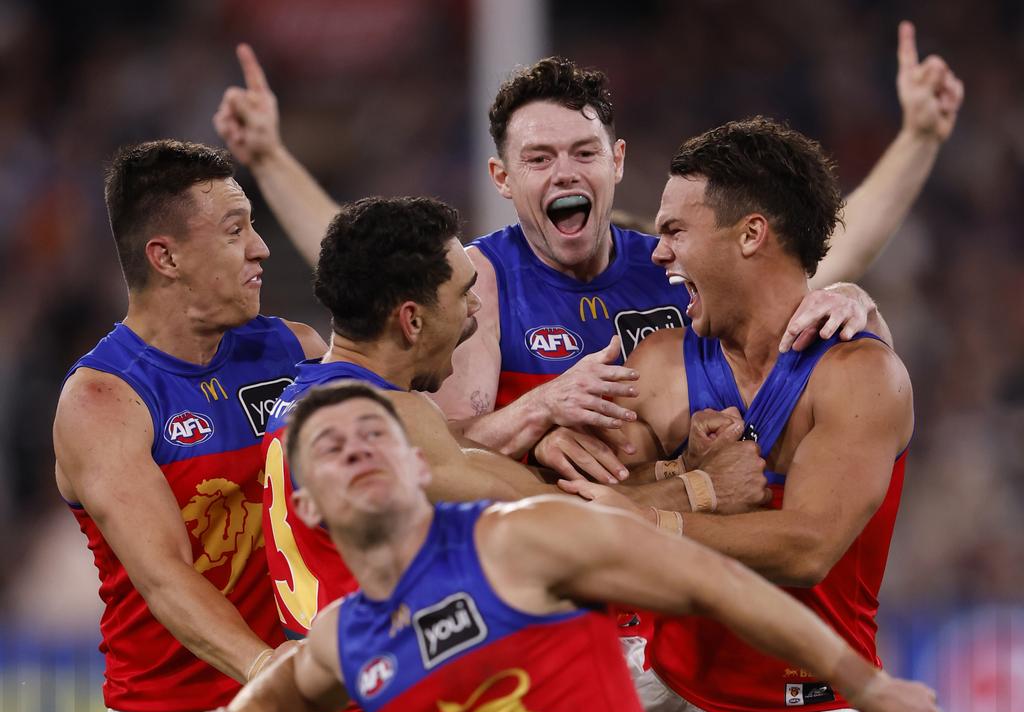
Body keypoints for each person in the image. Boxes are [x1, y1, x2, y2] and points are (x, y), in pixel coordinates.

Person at [212, 20, 962, 481]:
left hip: (665, 587)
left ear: (618, 163)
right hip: (540, 597)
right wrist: (541, 410)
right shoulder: (480, 283)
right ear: (503, 179)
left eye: (583, 151)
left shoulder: (676, 265)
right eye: (539, 160)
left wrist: (918, 144)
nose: (565, 172)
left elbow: (827, 251)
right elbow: (427, 429)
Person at [182, 381, 943, 712]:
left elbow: (713, 584)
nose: (355, 448)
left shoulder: (523, 540)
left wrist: (867, 687)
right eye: (332, 447)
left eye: (373, 433)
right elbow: (289, 693)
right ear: (309, 507)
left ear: (420, 465)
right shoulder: (346, 636)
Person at [260, 194, 766, 712]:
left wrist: (676, 469)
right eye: (461, 294)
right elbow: (561, 526)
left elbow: (531, 492)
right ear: (412, 319)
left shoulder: (320, 396)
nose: (474, 310)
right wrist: (703, 490)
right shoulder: (376, 423)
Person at [554, 117, 923, 712]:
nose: (659, 254)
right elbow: (578, 502)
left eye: (675, 232)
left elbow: (808, 547)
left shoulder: (859, 376)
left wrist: (653, 520)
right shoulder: (660, 367)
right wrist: (694, 482)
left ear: (751, 234)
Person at [52, 140, 326, 712]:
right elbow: (164, 575)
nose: (260, 247)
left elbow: (411, 440)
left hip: (300, 711)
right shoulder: (103, 399)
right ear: (165, 256)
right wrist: (269, 668)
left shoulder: (296, 351)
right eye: (236, 230)